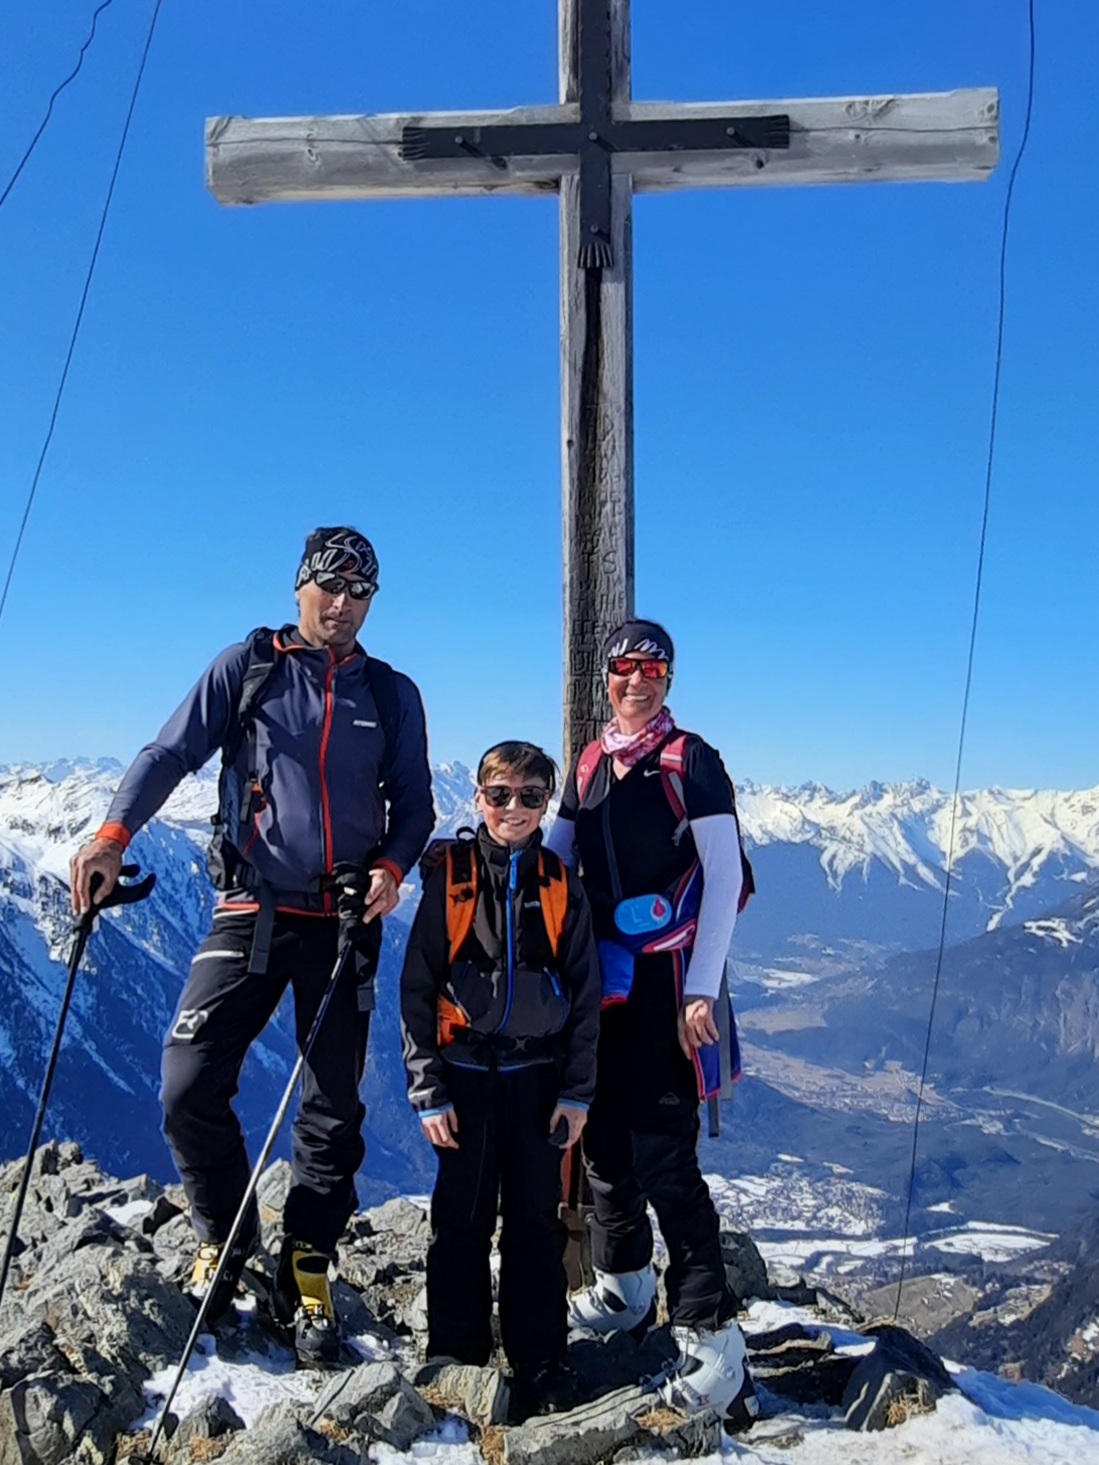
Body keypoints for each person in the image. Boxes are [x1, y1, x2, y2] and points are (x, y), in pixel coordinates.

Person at [69, 526, 434, 1366]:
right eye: (329, 587)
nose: (342, 605)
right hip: (251, 907)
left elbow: (413, 804)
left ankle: (305, 1264)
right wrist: (114, 833)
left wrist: (389, 868)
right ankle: (225, 1239)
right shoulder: (249, 667)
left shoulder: (391, 693)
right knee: (188, 1082)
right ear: (299, 587)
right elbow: (171, 751)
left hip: (344, 920)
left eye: (360, 593)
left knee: (333, 1105)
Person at [545, 618, 755, 1419]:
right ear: (605, 677)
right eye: (624, 667)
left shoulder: (689, 760)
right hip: (603, 977)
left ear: (668, 679)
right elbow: (557, 855)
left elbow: (726, 876)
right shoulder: (591, 762)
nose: (637, 679)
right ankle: (624, 1285)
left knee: (664, 1153)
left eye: (653, 668)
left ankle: (712, 1337)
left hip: (668, 979)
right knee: (602, 1137)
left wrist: (700, 989)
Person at [400, 741, 601, 1416]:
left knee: (534, 1225)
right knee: (460, 1218)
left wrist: (576, 1091)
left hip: (538, 1081)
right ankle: (457, 1358)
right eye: (499, 794)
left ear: (545, 803)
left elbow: (585, 994)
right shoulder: (450, 879)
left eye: (530, 796)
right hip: (463, 1078)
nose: (513, 808)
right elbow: (417, 987)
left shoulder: (559, 884)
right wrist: (427, 1090)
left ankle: (540, 1360)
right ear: (479, 798)